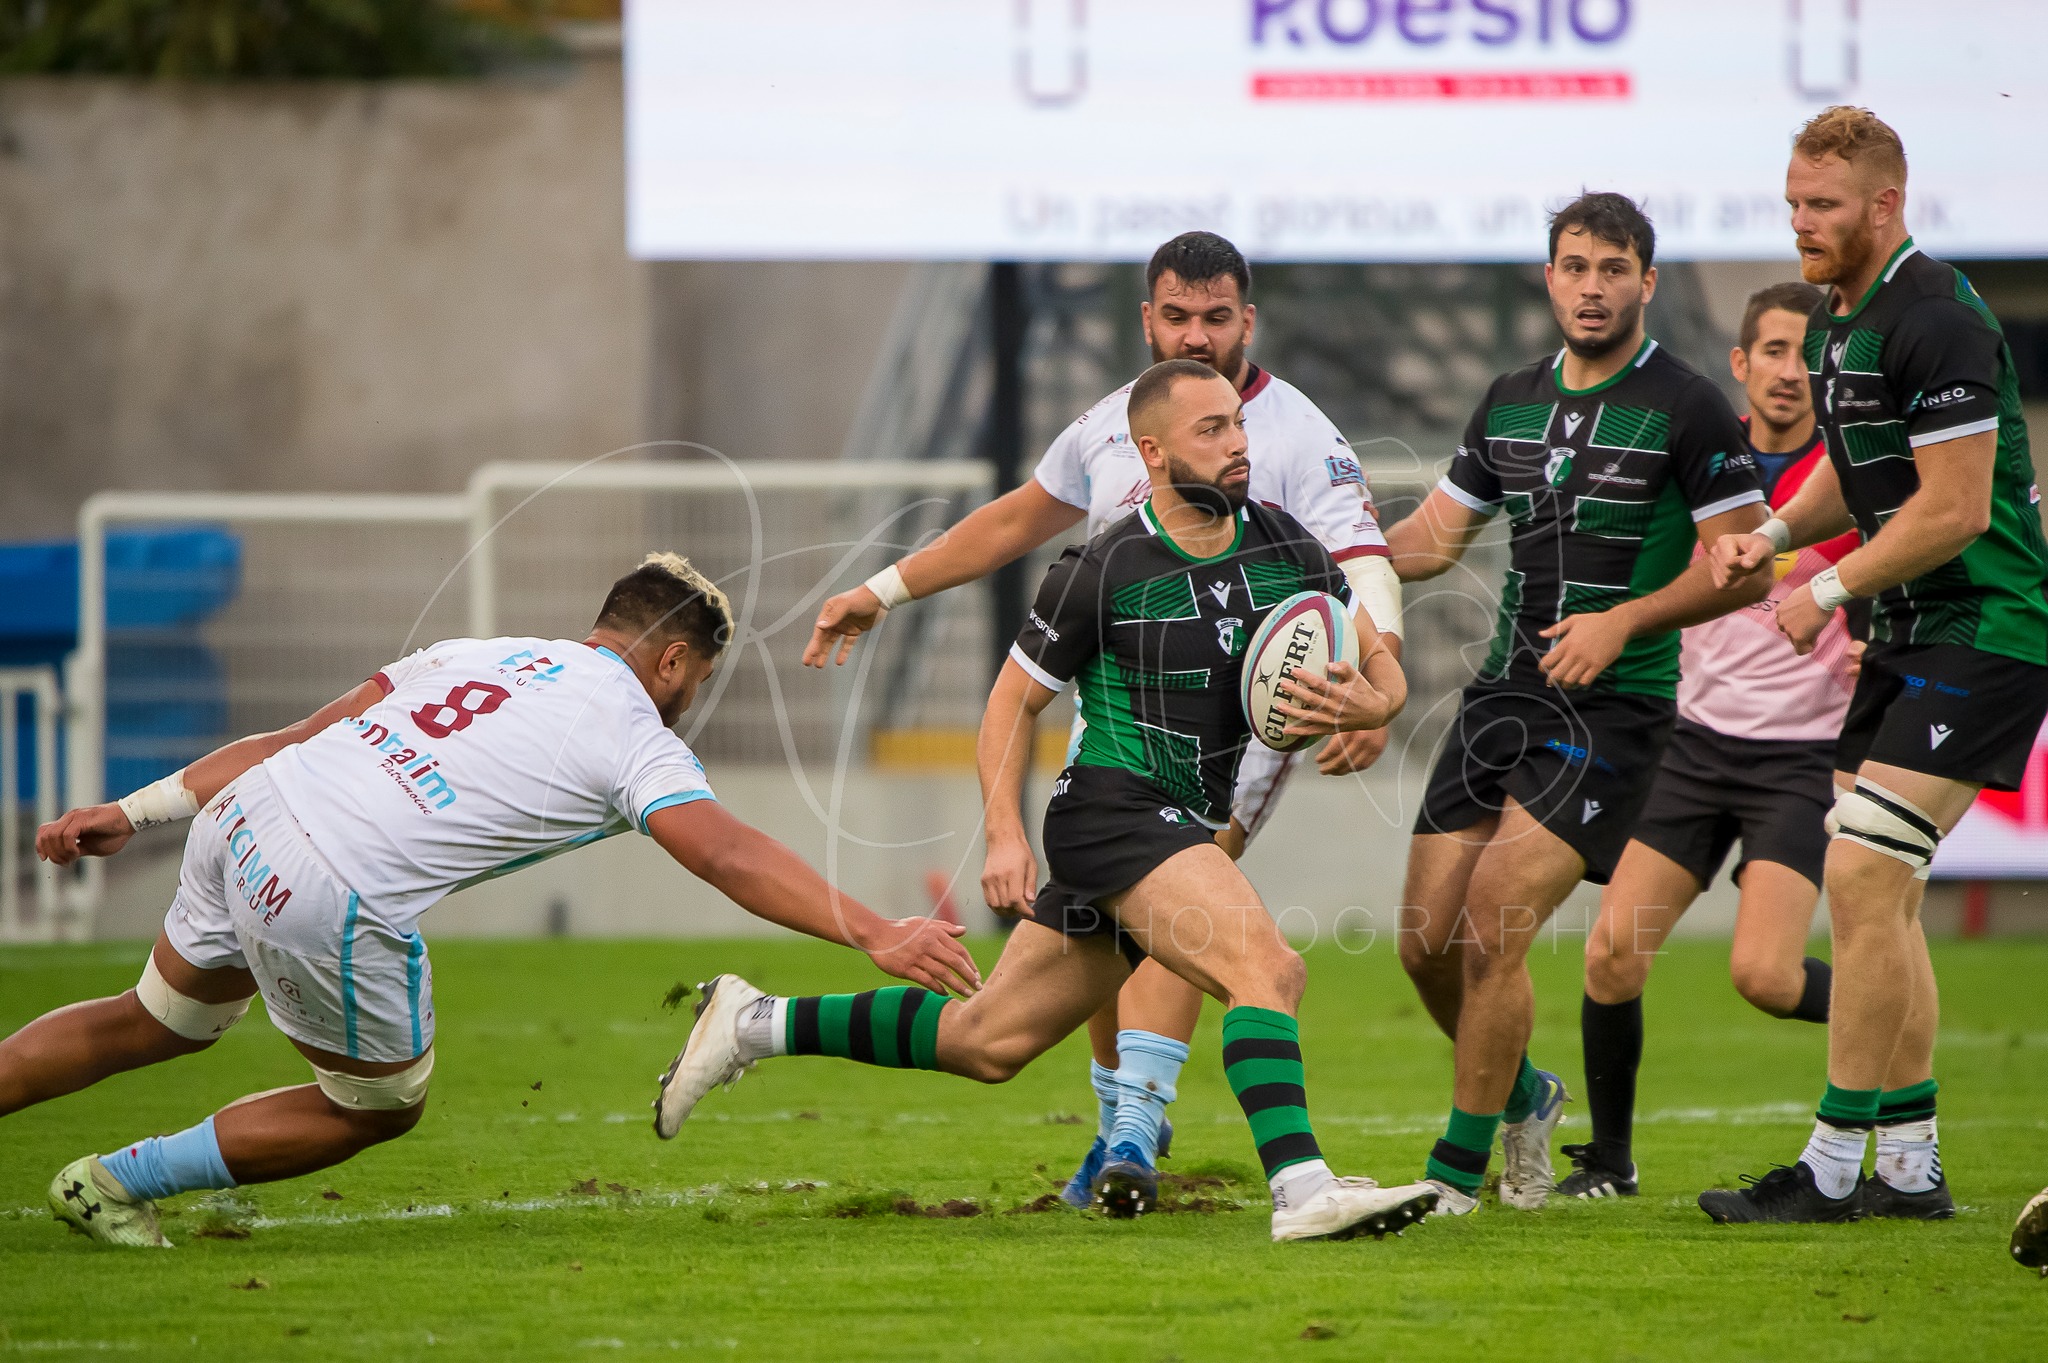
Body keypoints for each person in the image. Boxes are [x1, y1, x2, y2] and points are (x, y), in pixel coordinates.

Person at [662, 359, 1439, 1241]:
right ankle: (1303, 1190)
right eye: (1211, 429)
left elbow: (1377, 657)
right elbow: (1008, 706)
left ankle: (753, 1022)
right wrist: (1003, 836)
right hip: (1112, 813)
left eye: (1238, 424)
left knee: (987, 1039)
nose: (1238, 445)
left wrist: (1375, 701)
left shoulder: (1286, 544)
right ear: (1152, 452)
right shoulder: (1103, 567)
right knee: (1268, 968)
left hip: (1179, 820)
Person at [10, 554, 978, 1248]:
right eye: (697, 680)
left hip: (245, 814)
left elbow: (296, 736)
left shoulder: (471, 653)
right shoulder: (631, 728)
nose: (687, 702)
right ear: (672, 661)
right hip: (326, 880)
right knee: (376, 1105)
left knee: (155, 1020)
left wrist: (134, 811)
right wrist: (873, 929)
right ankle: (113, 1183)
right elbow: (723, 850)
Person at [802, 232, 1405, 1209]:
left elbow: (1363, 568)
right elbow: (1012, 523)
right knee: (1209, 942)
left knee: (1038, 1009)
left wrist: (1371, 689)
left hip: (1239, 731)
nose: (1197, 336)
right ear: (1147, 319)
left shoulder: (1296, 438)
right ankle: (1178, 1144)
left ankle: (1128, 1129)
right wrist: (884, 588)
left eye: (1216, 318)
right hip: (1111, 749)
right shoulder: (1107, 435)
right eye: (1178, 317)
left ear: (1248, 321)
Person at [1382, 192, 1771, 1214]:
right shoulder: (1508, 397)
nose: (1591, 286)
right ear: (1548, 277)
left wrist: (1623, 621)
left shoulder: (1686, 405)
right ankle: (1528, 1095)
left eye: (1612, 268)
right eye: (1573, 266)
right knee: (1423, 945)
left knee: (1492, 925)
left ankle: (1455, 1174)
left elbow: (1746, 566)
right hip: (1503, 694)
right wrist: (1331, 554)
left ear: (1646, 281)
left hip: (1612, 706)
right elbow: (1432, 541)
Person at [1699, 107, 2048, 1224]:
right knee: (1882, 894)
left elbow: (1952, 510)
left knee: (1857, 875)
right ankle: (1906, 1167)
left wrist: (1822, 590)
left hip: (1984, 626)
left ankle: (1831, 1166)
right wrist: (1772, 535)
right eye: (1793, 203)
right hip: (1908, 630)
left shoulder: (1935, 317)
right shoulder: (1839, 321)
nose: (1800, 224)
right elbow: (1854, 475)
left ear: (1885, 204)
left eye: (1823, 206)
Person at [1563, 280, 1860, 1200]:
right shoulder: (1698, 455)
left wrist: (1872, 644)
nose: (1789, 371)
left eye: (1807, 355)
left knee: (1766, 976)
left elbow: (1914, 568)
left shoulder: (1852, 475)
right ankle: (1609, 1161)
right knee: (1611, 955)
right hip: (1692, 747)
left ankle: (1891, 1020)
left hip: (1800, 760)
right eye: (1772, 350)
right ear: (1741, 361)